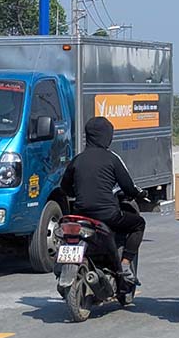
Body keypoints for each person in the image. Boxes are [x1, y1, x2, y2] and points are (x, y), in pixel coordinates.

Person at [61, 117, 146, 285]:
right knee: (139, 224)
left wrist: (76, 194)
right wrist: (139, 194)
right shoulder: (112, 158)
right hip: (108, 216)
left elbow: (65, 187)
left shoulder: (77, 159)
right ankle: (125, 264)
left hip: (81, 216)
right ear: (107, 136)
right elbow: (128, 187)